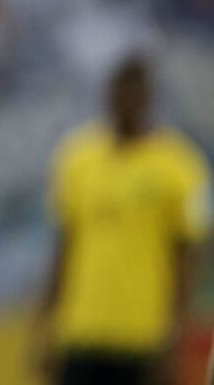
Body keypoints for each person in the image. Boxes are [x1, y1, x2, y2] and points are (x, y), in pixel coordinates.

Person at [35, 56, 211, 385]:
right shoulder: (78, 158)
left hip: (143, 339)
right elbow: (64, 249)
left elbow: (187, 261)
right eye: (119, 94)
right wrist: (45, 327)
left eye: (134, 95)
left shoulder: (178, 166)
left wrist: (176, 339)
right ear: (108, 96)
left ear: (148, 100)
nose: (125, 103)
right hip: (81, 334)